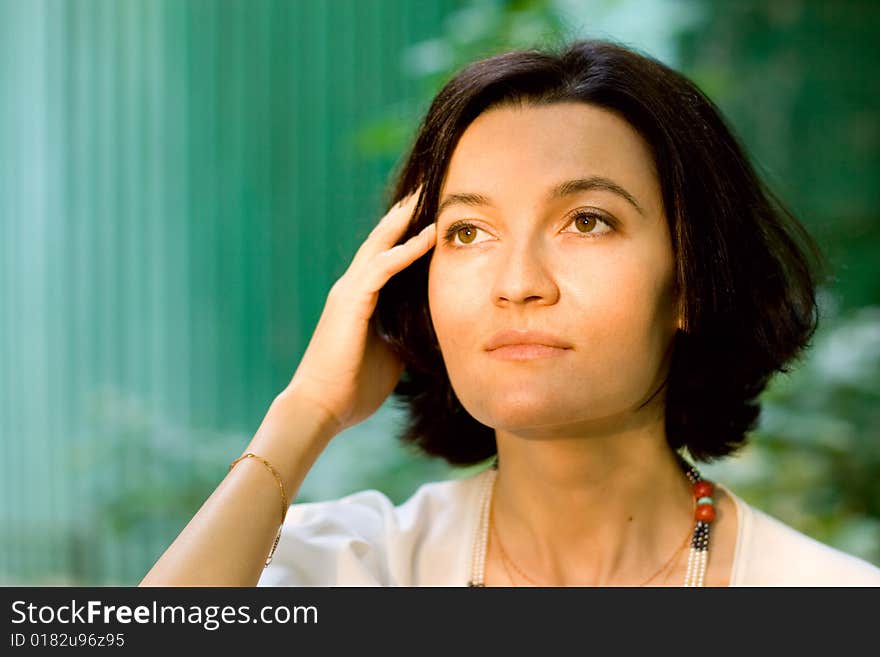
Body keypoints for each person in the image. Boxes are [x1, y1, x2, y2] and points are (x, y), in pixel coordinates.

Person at [140, 38, 880, 587]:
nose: (517, 282)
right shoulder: (349, 567)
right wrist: (304, 410)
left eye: (587, 220)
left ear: (689, 279)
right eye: (467, 232)